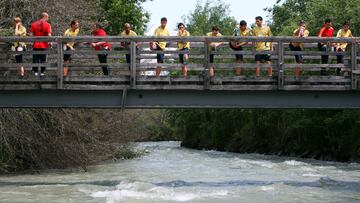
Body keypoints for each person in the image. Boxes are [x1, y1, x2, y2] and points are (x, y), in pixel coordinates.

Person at [30, 12, 52, 76]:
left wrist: (32, 42)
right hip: (44, 45)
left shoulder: (34, 24)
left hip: (35, 44)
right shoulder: (48, 25)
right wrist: (50, 42)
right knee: (43, 59)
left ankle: (35, 71)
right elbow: (49, 35)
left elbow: (31, 35)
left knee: (35, 59)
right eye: (47, 17)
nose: (48, 19)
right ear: (45, 17)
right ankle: (42, 72)